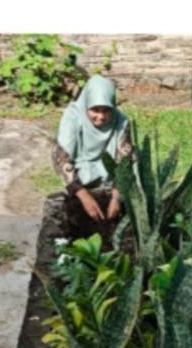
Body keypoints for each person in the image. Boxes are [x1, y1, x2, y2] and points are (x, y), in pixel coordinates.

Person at [52, 76, 134, 240]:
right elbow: (61, 158)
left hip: (111, 178)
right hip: (80, 177)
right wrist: (84, 196)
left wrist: (116, 197)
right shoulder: (72, 117)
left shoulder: (121, 121)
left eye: (106, 110)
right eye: (95, 110)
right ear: (86, 105)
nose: (101, 117)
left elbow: (124, 161)